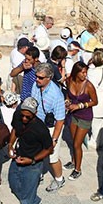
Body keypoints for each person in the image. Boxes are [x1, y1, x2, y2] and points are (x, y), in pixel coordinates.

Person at [7, 97, 53, 204]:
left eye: (28, 117)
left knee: (26, 199)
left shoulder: (41, 129)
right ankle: (35, 200)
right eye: (23, 115)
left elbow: (49, 149)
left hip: (33, 165)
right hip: (18, 158)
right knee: (13, 185)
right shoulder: (18, 115)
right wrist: (10, 144)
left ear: (35, 113)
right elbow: (15, 129)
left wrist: (32, 160)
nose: (24, 119)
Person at [30, 61, 66, 192]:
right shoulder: (35, 86)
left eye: (40, 77)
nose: (37, 79)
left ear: (49, 78)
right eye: (36, 76)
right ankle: (39, 174)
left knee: (52, 158)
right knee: (37, 152)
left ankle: (59, 179)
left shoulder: (56, 95)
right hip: (37, 125)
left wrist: (54, 139)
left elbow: (60, 120)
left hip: (51, 128)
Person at [64, 61, 98, 180]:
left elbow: (95, 101)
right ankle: (74, 161)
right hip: (73, 115)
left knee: (77, 144)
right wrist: (67, 102)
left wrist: (80, 106)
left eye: (86, 72)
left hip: (85, 117)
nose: (85, 75)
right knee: (74, 140)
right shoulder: (69, 80)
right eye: (82, 72)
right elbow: (68, 95)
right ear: (76, 72)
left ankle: (77, 169)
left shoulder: (88, 86)